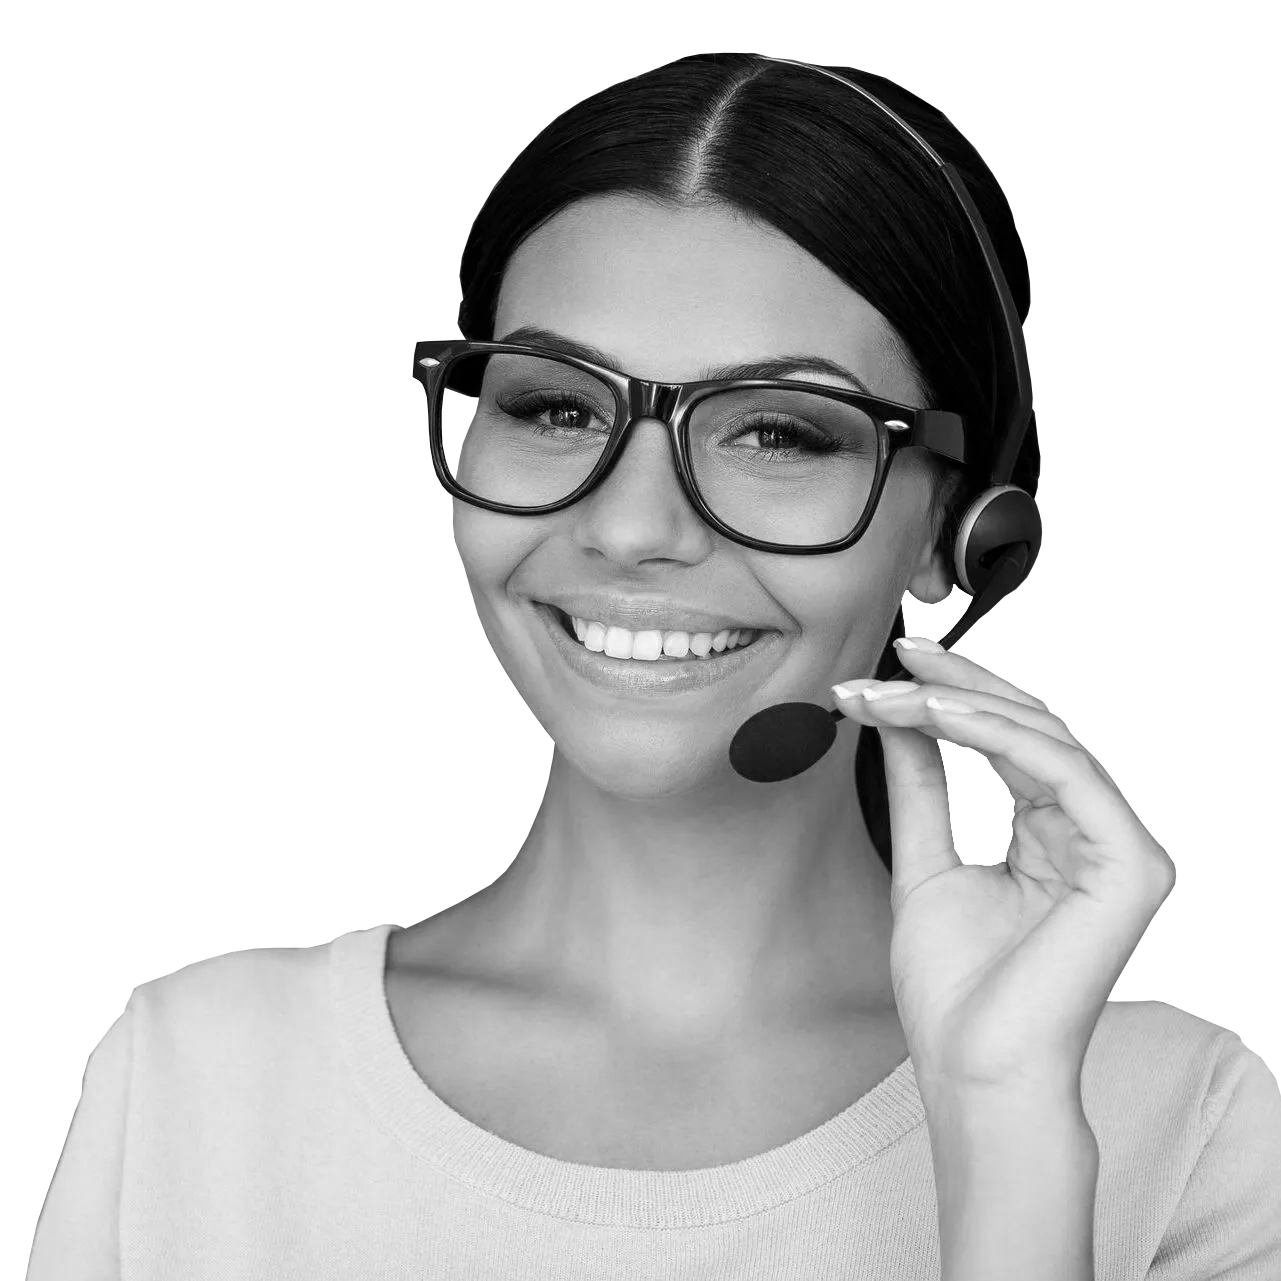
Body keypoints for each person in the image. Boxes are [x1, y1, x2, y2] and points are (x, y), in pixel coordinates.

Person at [29, 52, 1281, 1280]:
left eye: (780, 433)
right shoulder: (188, 1082)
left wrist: (1004, 1131)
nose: (630, 527)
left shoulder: (1195, 1133)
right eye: (555, 406)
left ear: (960, 544)